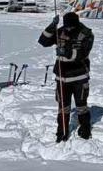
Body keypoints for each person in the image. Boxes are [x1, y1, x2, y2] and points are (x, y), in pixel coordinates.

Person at [39, 12, 94, 142]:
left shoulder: (86, 33)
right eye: (66, 26)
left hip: (79, 76)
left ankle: (85, 130)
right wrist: (52, 26)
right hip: (62, 77)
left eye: (70, 27)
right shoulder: (61, 31)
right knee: (63, 106)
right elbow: (43, 41)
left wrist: (67, 52)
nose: (68, 29)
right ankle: (62, 131)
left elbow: (82, 53)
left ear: (76, 24)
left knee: (81, 106)